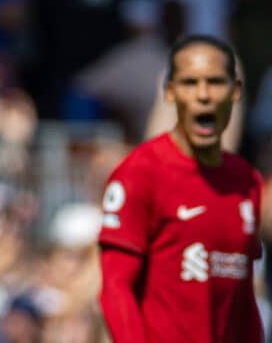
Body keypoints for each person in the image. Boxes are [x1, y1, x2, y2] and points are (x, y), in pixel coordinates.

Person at [98, 35, 263, 342]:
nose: (203, 95)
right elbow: (115, 288)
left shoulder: (246, 182)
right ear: (170, 93)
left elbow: (242, 299)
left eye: (215, 82)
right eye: (190, 83)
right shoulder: (138, 173)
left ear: (235, 91)